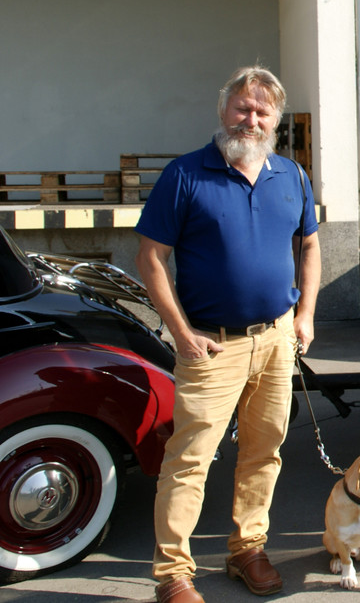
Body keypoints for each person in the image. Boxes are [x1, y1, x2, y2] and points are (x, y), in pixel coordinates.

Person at [135, 65, 321, 603]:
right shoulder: (186, 174)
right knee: (190, 457)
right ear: (224, 111)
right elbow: (150, 257)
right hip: (211, 345)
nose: (251, 118)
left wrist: (305, 315)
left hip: (277, 338)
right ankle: (172, 573)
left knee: (265, 451)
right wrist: (181, 332)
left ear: (276, 121)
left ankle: (247, 549)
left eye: (263, 111)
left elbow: (309, 245)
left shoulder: (293, 175)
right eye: (243, 107)